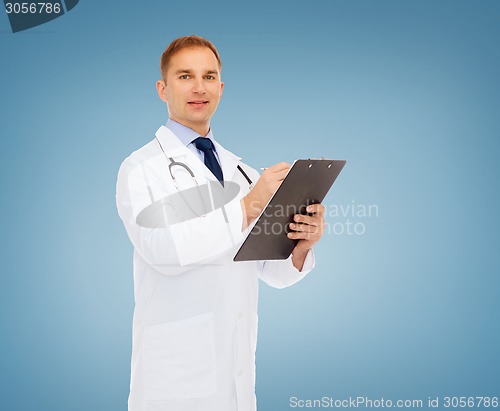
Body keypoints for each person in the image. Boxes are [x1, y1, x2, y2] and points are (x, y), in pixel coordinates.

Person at [116, 35, 326, 411]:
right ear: (162, 89)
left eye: (209, 77)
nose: (199, 88)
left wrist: (300, 244)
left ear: (221, 88)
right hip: (174, 382)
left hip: (237, 378)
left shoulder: (241, 170)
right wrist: (247, 206)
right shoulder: (140, 168)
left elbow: (267, 269)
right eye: (185, 76)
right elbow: (162, 250)